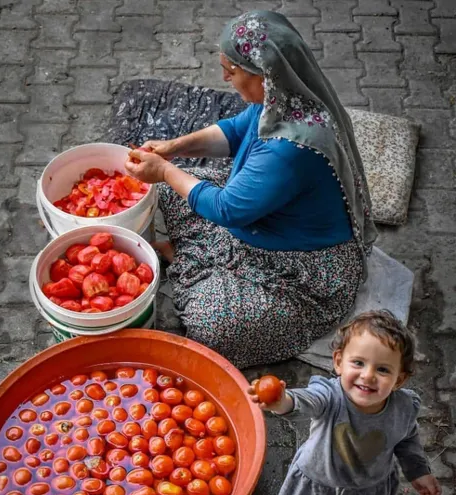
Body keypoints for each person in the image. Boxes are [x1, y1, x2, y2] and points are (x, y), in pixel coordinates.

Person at [124, 10, 377, 369]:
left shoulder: (290, 151)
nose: (225, 77)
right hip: (258, 226)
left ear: (264, 75)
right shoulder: (283, 98)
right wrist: (173, 147)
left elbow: (228, 210)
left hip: (299, 271)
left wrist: (165, 171)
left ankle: (184, 259)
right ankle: (188, 257)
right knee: (170, 191)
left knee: (211, 326)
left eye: (233, 70)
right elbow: (232, 132)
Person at [248, 310, 442, 495]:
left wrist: (419, 471)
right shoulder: (329, 396)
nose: (368, 376)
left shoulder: (403, 408)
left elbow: (407, 440)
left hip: (365, 489)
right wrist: (281, 400)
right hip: (317, 484)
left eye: (383, 369)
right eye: (359, 363)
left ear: (400, 379)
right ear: (338, 362)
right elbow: (305, 402)